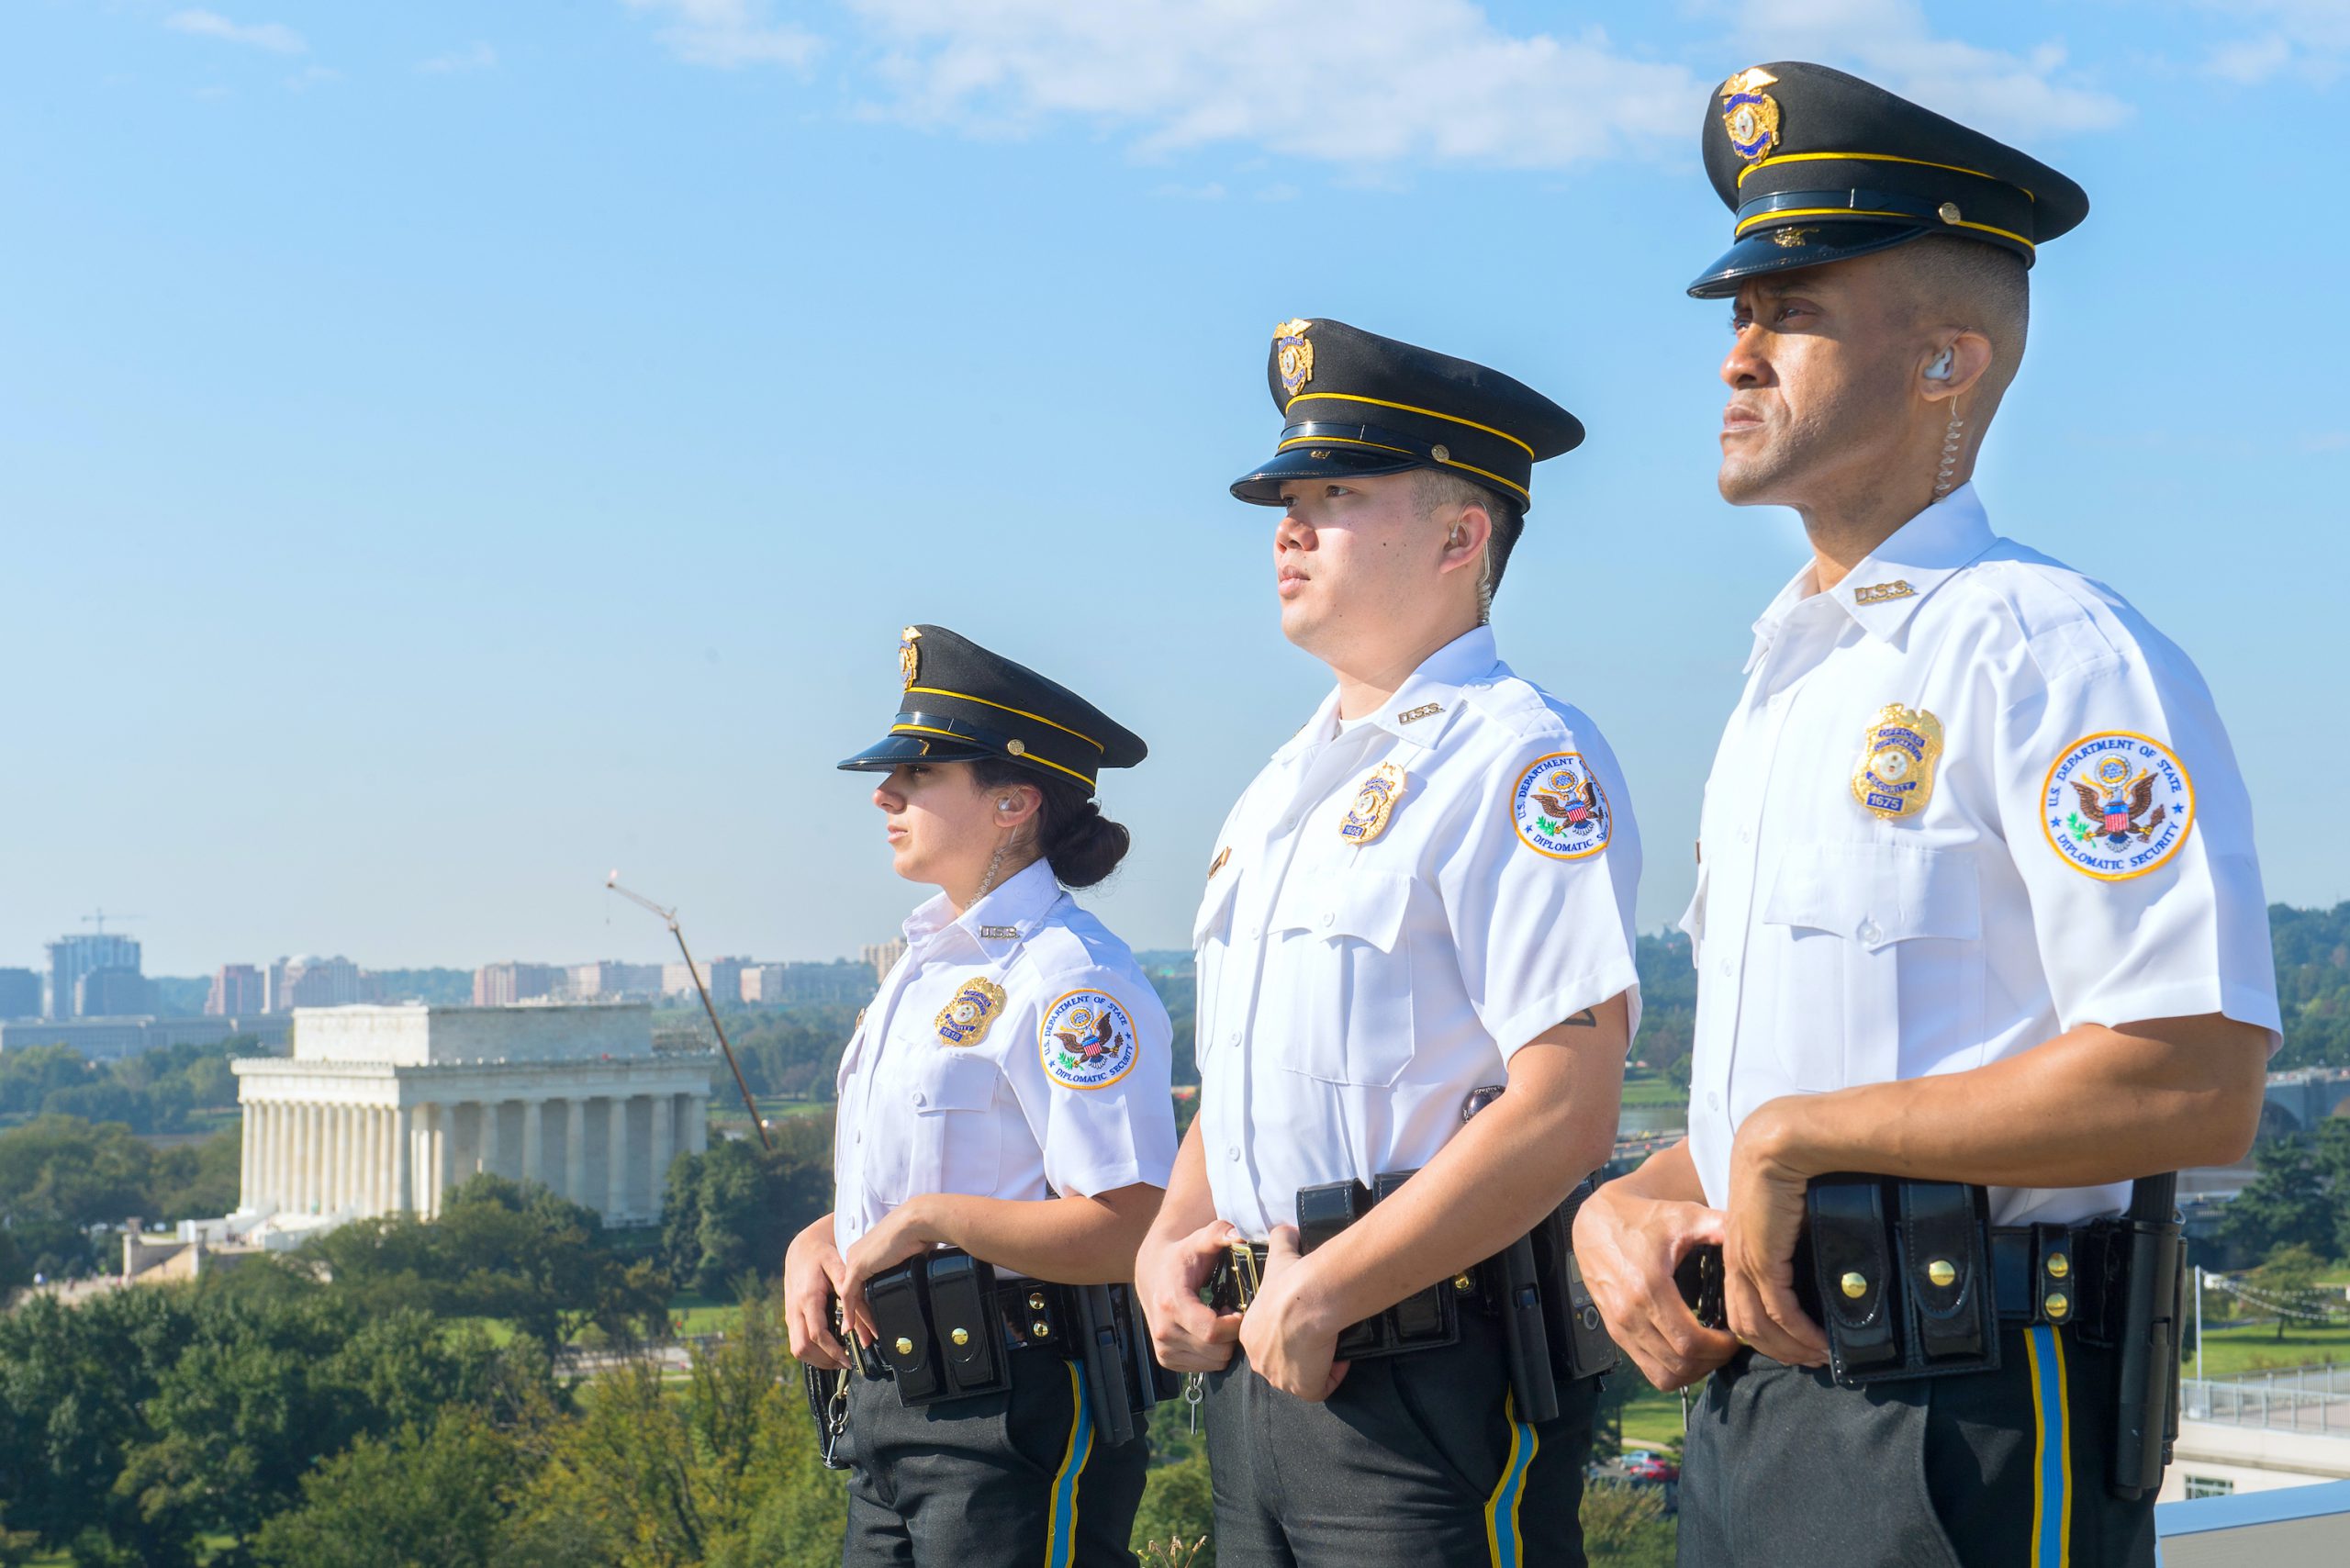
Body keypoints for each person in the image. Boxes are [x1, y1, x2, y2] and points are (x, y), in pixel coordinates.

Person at [1571, 62, 2281, 1567]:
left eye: (1792, 310)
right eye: (1735, 316)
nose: (1736, 357)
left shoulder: (2050, 652)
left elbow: (2194, 1076)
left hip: (1965, 1416)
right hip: (1757, 1408)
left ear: (1951, 359)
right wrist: (1631, 1200)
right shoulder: (1785, 680)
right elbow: (1810, 1083)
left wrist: (1797, 1137)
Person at [1134, 318, 1643, 1567]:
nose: (1289, 528)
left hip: (1430, 1378)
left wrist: (1333, 1285)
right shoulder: (1275, 793)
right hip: (1264, 1378)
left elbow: (1565, 1106)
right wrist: (1162, 1245)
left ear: (1463, 535)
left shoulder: (1519, 756)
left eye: (1336, 495)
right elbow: (1248, 1073)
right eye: (1286, 500)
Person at [784, 623, 1178, 1568]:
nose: (886, 794)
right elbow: (909, 1181)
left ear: (1013, 799)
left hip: (1018, 1410)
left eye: (920, 775)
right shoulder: (919, 971)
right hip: (890, 1407)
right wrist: (819, 1242)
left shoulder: (1071, 981)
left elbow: (1130, 1224)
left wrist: (928, 1219)